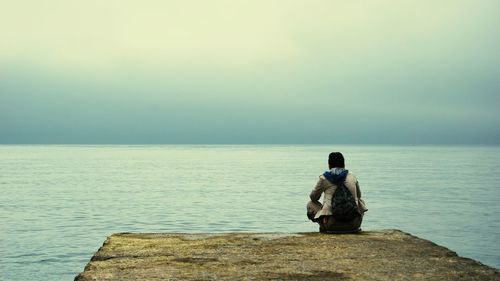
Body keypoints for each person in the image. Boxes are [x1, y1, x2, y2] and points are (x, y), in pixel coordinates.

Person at [306, 152, 367, 233]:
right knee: (359, 200)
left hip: (332, 225)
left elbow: (313, 197)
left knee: (310, 204)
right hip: (354, 224)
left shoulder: (324, 178)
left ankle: (324, 225)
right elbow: (359, 195)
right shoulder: (352, 176)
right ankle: (350, 225)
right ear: (344, 164)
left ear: (329, 164)